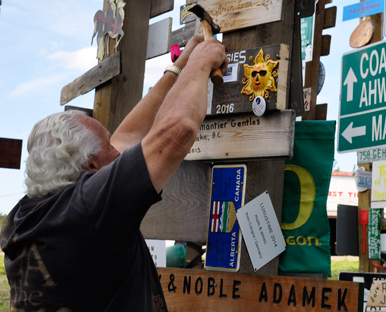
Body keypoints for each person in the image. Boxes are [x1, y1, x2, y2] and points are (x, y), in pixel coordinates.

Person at [0, 35, 228, 312]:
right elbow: (176, 131)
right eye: (108, 147)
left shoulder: (27, 215)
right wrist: (202, 61)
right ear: (91, 167)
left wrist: (181, 64)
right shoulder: (88, 209)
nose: (118, 152)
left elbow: (129, 136)